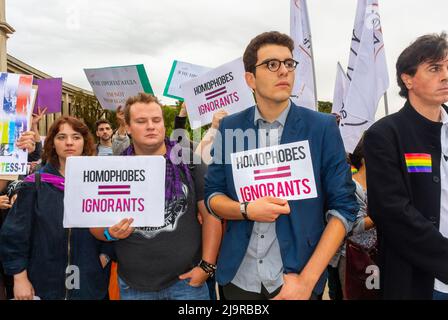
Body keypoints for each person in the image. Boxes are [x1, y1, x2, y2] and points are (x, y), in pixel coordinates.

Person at [205, 31, 358, 300]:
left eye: (289, 64)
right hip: (238, 278)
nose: (284, 71)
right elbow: (212, 196)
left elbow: (344, 208)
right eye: (272, 64)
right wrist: (246, 209)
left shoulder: (321, 127)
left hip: (296, 278)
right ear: (250, 78)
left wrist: (307, 281)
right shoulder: (230, 127)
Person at [90, 93, 222, 300]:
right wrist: (110, 233)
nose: (151, 126)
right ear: (128, 126)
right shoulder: (113, 168)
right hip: (134, 286)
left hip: (187, 284)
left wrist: (206, 266)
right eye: (141, 121)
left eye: (156, 120)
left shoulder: (189, 162)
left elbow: (211, 216)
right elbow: (97, 226)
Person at [364, 32, 448, 300]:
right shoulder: (385, 135)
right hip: (418, 282)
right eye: (435, 68)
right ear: (408, 79)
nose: (445, 75)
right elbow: (392, 213)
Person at [0, 116, 112, 300]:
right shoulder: (35, 183)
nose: (69, 142)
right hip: (44, 282)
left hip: (89, 281)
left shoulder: (101, 182)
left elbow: (114, 223)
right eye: (61, 137)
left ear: (85, 142)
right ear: (52, 143)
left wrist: (105, 256)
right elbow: (15, 233)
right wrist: (19, 278)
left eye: (76, 137)